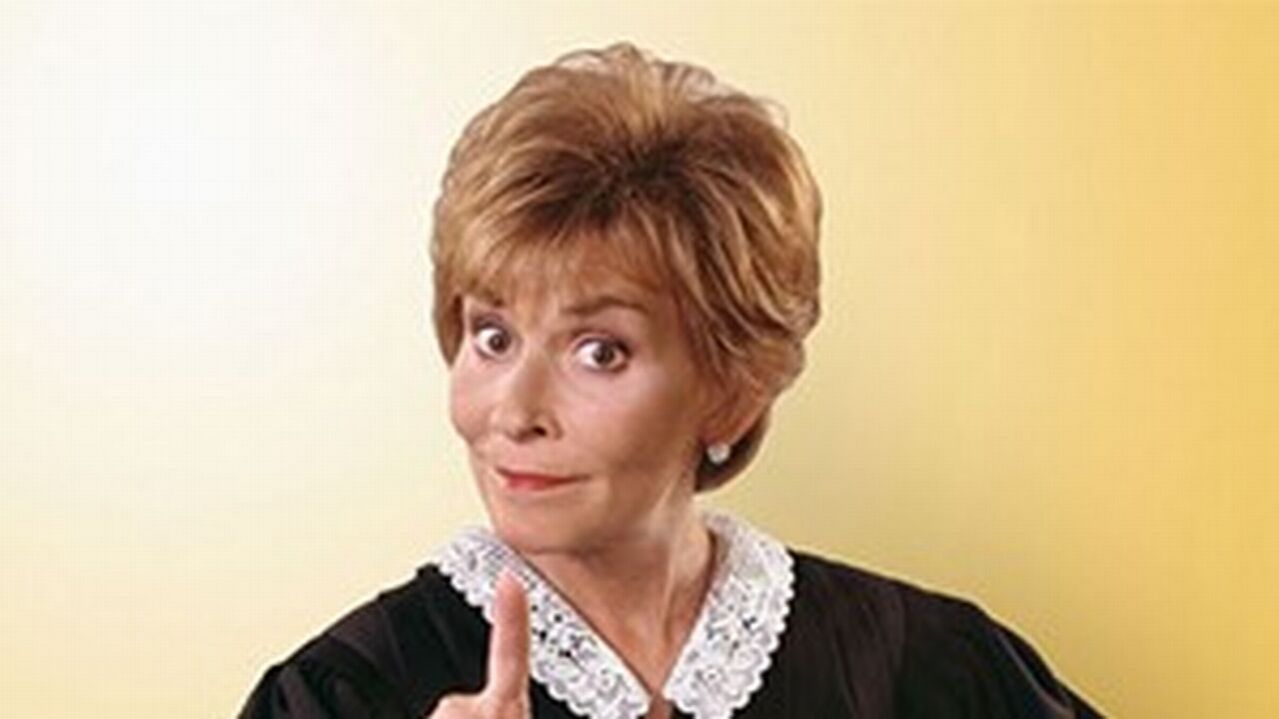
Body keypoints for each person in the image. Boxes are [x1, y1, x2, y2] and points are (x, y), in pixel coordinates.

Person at [241, 43, 1101, 718]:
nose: (514, 410)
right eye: (491, 336)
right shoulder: (345, 693)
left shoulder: (925, 669)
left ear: (732, 388)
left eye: (599, 350)